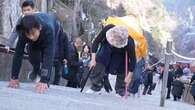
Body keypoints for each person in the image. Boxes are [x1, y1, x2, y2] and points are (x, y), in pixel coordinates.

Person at [8, 13, 68, 94]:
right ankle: (36, 71)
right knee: (32, 56)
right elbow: (18, 53)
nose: (31, 37)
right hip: (34, 29)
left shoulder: (48, 30)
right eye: (28, 35)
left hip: (53, 27)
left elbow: (48, 56)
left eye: (33, 34)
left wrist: (44, 80)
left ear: (39, 27)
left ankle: (44, 78)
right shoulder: (25, 31)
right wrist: (14, 77)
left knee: (44, 56)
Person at [87, 24, 136, 97]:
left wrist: (129, 76)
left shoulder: (130, 42)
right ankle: (95, 86)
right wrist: (93, 59)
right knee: (100, 60)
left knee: (123, 67)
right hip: (106, 48)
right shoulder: (108, 28)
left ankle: (120, 89)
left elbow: (133, 60)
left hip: (120, 54)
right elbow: (96, 42)